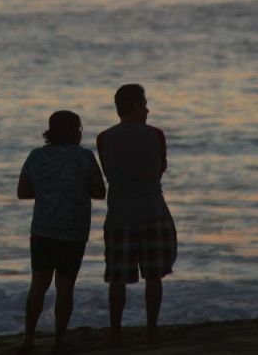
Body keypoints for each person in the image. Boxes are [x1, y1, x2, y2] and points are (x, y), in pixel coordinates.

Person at [17, 110, 107, 354]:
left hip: (43, 230)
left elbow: (22, 192)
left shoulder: (36, 156)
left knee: (38, 285)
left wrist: (48, 191)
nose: (80, 133)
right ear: (73, 131)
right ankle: (58, 341)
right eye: (78, 129)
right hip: (73, 232)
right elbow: (100, 192)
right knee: (65, 287)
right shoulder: (84, 157)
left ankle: (28, 339)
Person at [96, 84, 176, 347]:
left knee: (117, 279)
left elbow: (109, 173)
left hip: (119, 215)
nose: (147, 109)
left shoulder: (104, 137)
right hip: (152, 211)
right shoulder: (156, 135)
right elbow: (159, 169)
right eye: (144, 103)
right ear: (134, 106)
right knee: (153, 277)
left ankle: (115, 332)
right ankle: (151, 331)